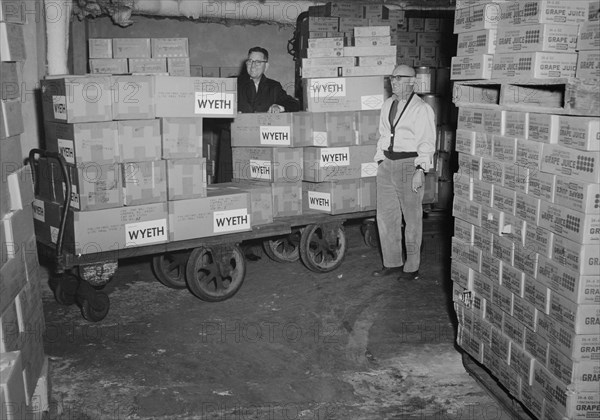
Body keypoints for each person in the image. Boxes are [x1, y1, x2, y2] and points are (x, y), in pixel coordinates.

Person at [371, 64, 436, 281]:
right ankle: (392, 262)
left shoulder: (421, 108)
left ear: (412, 81)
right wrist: (380, 160)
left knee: (412, 219)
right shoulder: (387, 104)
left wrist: (420, 169)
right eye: (392, 77)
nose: (393, 81)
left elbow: (427, 141)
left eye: (398, 78)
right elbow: (383, 134)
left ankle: (412, 267)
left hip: (409, 164)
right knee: (386, 217)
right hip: (387, 164)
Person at [237, 46, 301, 113]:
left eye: (258, 62)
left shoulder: (274, 87)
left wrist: (279, 107)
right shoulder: (235, 83)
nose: (253, 65)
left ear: (266, 66)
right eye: (250, 61)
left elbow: (294, 104)